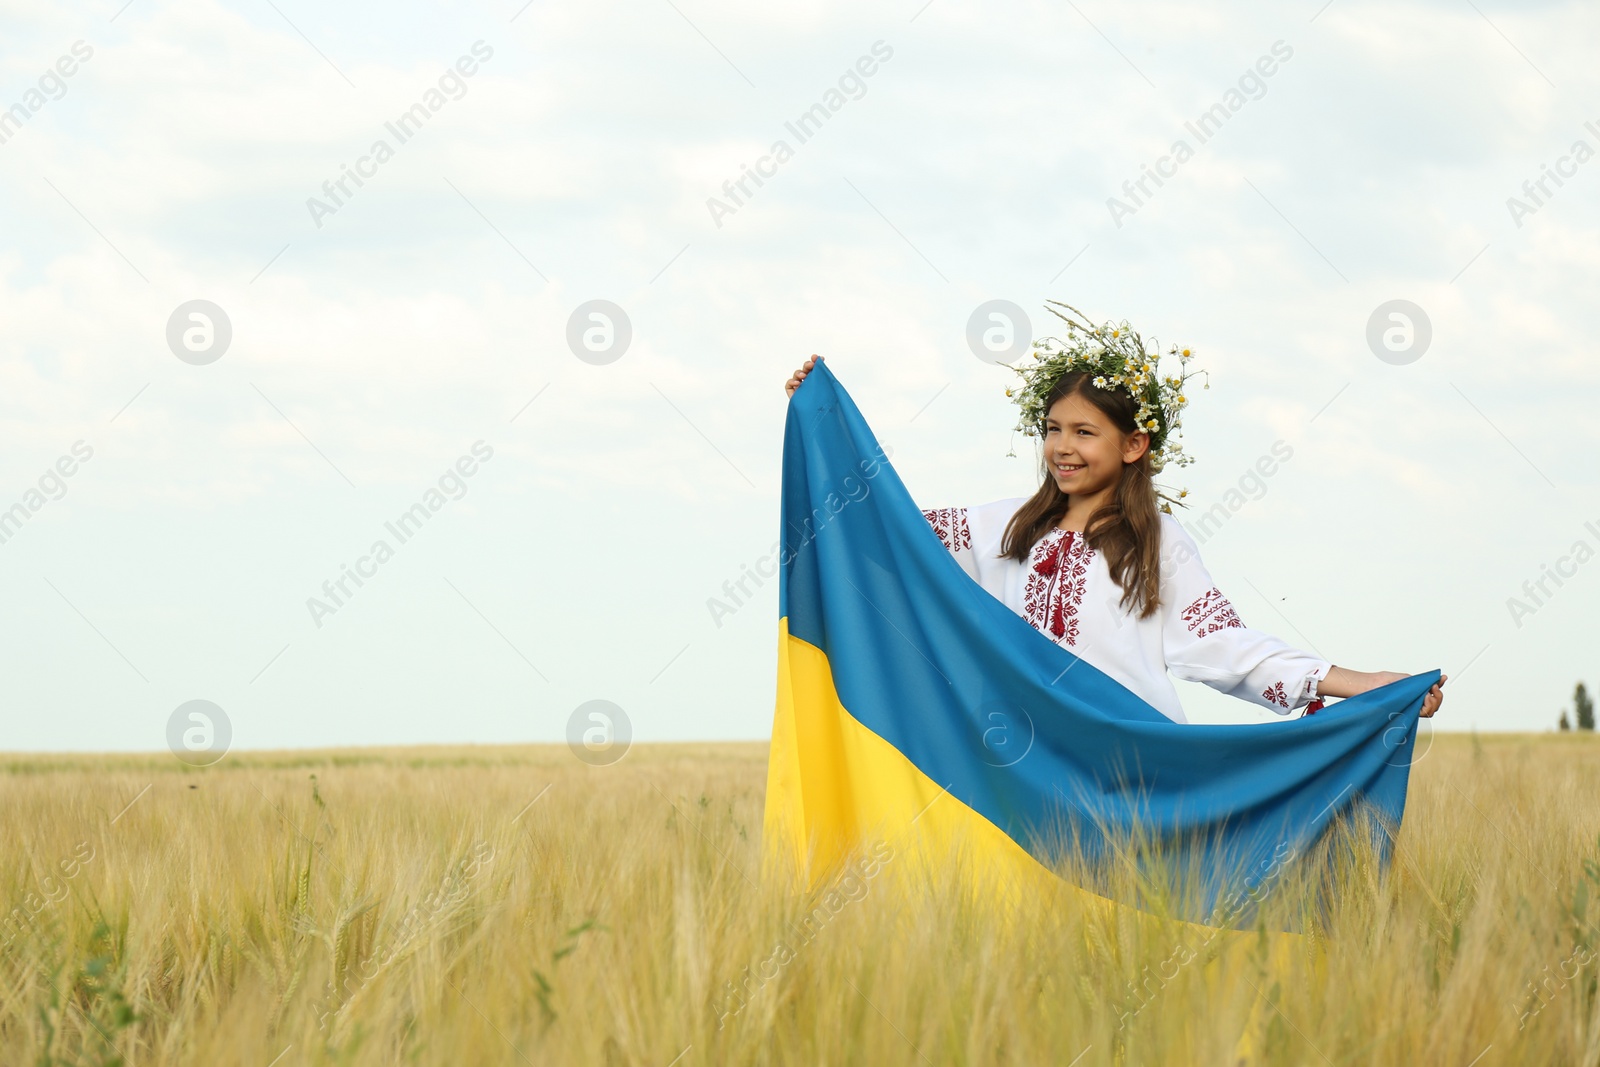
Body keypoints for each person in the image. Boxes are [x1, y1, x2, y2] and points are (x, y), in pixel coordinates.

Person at [784, 333, 1446, 724]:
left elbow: (1226, 648)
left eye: (1083, 431)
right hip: (1023, 759)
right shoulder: (1006, 529)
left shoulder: (1158, 544)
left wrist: (1362, 683)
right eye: (1051, 430)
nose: (1062, 447)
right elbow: (890, 530)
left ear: (1133, 445)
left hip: (1129, 758)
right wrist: (822, 425)